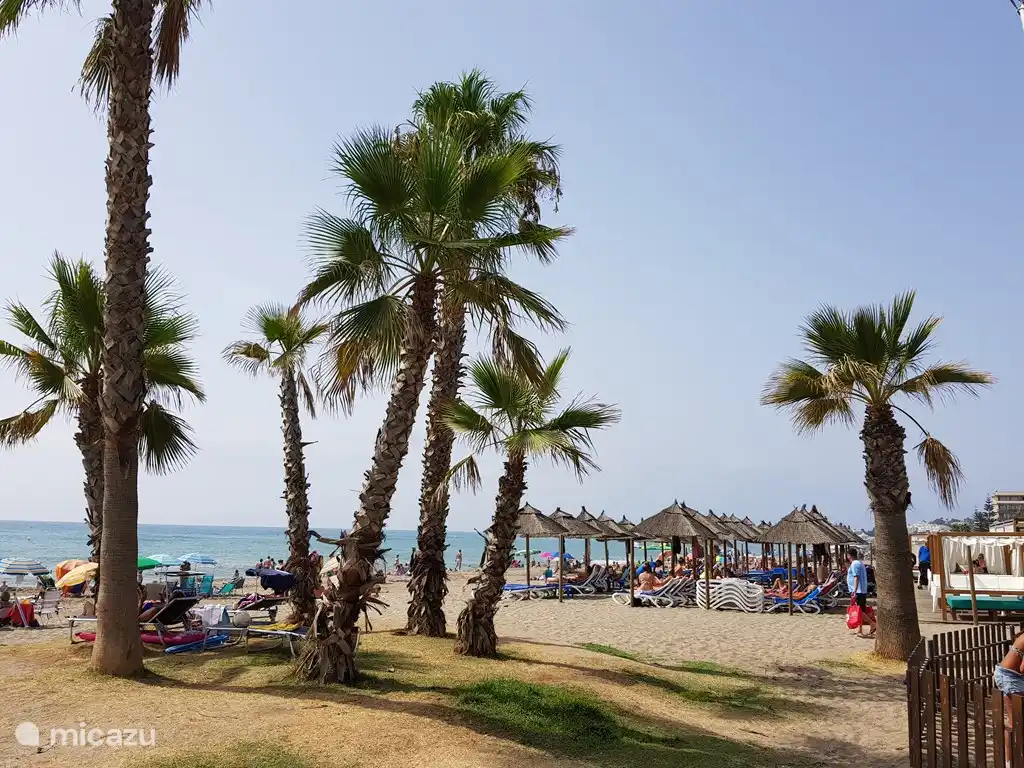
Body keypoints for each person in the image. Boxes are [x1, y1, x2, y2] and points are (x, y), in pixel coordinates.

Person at [994, 631, 1024, 761]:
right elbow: (1023, 668)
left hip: (1013, 676)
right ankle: (1009, 761)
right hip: (1010, 678)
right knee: (1015, 723)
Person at [846, 548, 876, 637]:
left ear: (849, 556)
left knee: (858, 611)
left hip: (858, 591)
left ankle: (872, 623)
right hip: (861, 590)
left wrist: (854, 591)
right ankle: (860, 630)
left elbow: (856, 577)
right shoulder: (859, 563)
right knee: (860, 610)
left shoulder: (855, 564)